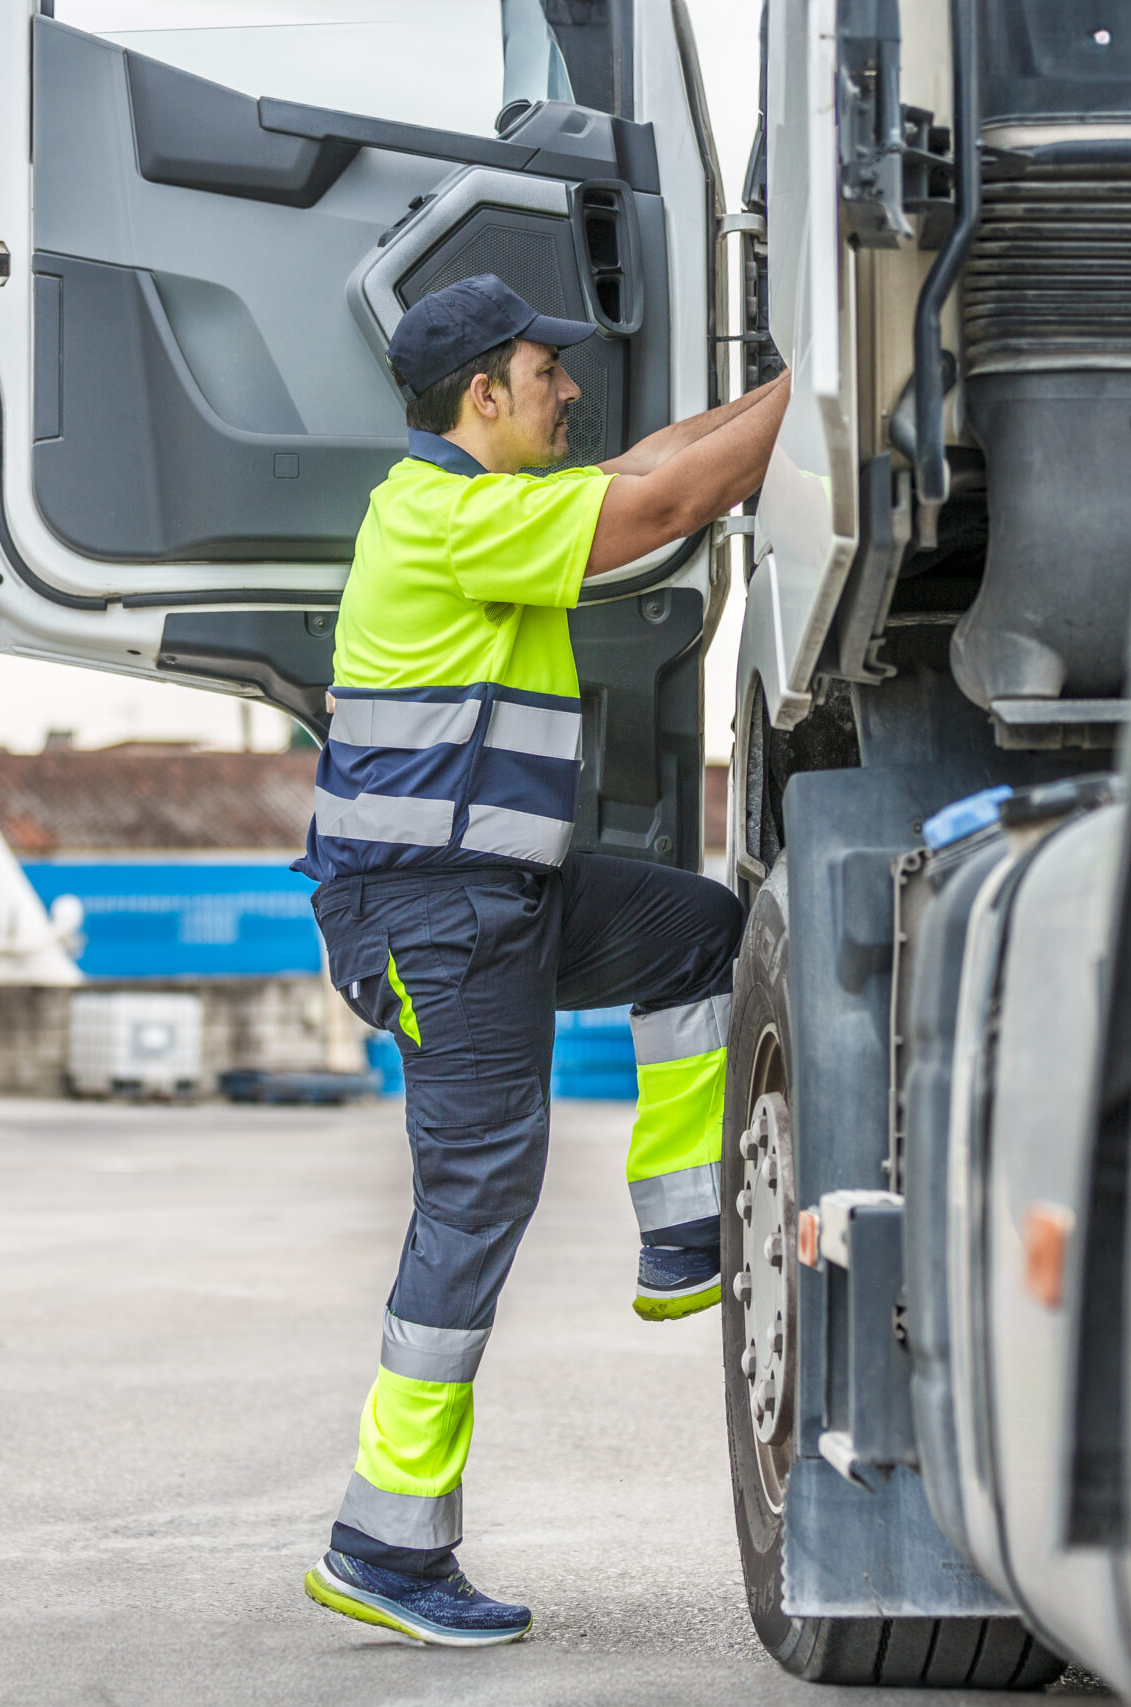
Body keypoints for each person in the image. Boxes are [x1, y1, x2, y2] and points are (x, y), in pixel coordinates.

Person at [297, 274, 791, 1646]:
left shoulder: (484, 502)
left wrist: (802, 365)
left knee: (698, 931)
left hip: (499, 897)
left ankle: (685, 1221)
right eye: (545, 368)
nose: (571, 388)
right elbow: (673, 506)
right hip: (430, 918)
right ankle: (384, 1538)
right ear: (483, 397)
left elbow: (652, 465)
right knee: (475, 1201)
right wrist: (840, 392)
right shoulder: (448, 519)